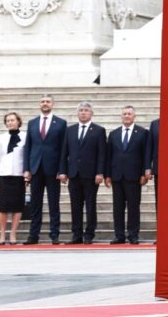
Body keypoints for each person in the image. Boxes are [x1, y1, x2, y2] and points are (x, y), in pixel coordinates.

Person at [57, 101, 106, 244]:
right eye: (81, 110)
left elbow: (102, 154)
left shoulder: (99, 130)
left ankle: (89, 234)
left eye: (86, 110)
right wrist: (62, 171)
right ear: (77, 113)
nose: (83, 112)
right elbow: (64, 152)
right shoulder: (70, 130)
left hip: (91, 175)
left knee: (90, 205)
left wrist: (100, 173)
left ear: (91, 113)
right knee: (75, 205)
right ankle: (76, 234)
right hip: (73, 174)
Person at [23, 94, 67, 245]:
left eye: (48, 101)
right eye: (42, 101)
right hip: (35, 168)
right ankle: (33, 235)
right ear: (39, 104)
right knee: (35, 204)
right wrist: (26, 169)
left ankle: (54, 234)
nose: (45, 104)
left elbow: (63, 149)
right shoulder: (32, 123)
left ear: (53, 104)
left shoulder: (61, 123)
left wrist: (62, 170)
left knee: (54, 204)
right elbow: (28, 146)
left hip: (53, 169)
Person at [106, 106, 148, 245]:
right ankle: (119, 235)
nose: (127, 116)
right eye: (124, 114)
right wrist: (108, 175)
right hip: (117, 176)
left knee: (133, 207)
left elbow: (145, 155)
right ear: (121, 116)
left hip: (134, 176)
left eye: (129, 114)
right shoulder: (114, 134)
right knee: (117, 207)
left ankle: (133, 235)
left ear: (134, 116)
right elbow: (108, 156)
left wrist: (144, 173)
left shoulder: (142, 133)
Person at [0, 112, 26, 245]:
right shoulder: (1, 138)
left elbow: (26, 157)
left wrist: (27, 174)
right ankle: (2, 234)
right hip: (4, 174)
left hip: (19, 175)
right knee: (3, 206)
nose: (10, 122)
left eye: (13, 120)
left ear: (18, 121)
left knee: (18, 206)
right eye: (8, 120)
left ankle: (13, 233)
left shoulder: (25, 137)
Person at [145, 117, 160, 208]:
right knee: (159, 198)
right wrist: (148, 167)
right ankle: (160, 221)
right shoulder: (155, 124)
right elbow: (150, 146)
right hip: (159, 169)